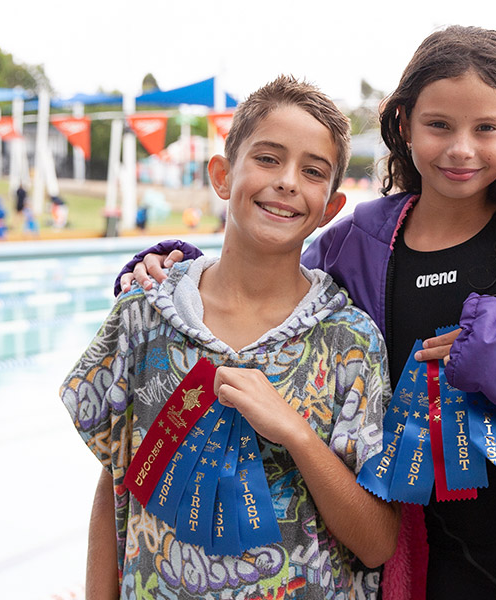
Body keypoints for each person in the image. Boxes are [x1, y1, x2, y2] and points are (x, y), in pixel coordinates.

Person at [115, 26, 496, 600]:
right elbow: (273, 288)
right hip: (420, 569)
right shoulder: (361, 243)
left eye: (486, 128)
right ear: (403, 124)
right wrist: (177, 272)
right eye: (439, 125)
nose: (460, 149)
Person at [62, 75, 399, 600]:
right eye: (268, 158)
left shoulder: (348, 341)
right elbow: (115, 485)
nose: (288, 181)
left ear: (330, 207)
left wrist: (298, 435)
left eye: (313, 172)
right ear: (222, 175)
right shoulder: (144, 317)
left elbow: (377, 544)